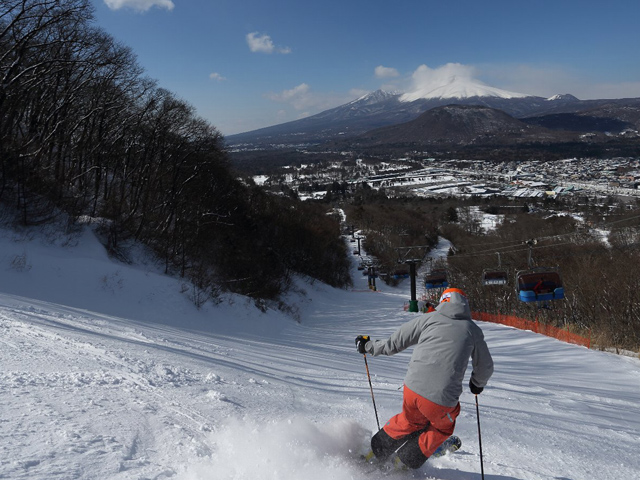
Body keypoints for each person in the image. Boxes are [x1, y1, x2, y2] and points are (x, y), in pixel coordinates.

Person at [355, 287, 493, 469]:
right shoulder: (472, 330)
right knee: (441, 428)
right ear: (465, 305)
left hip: (413, 390)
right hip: (441, 400)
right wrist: (477, 384)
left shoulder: (428, 319)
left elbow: (392, 344)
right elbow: (485, 367)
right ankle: (402, 462)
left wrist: (367, 346)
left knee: (409, 420)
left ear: (442, 301)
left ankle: (374, 451)